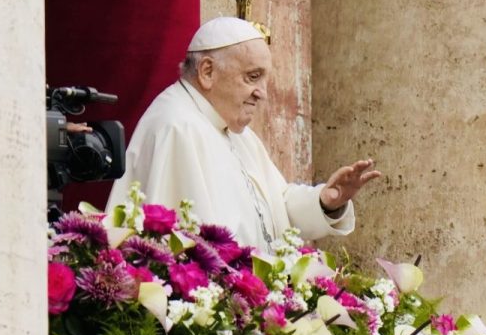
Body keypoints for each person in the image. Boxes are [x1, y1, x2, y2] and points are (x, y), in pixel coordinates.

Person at [106, 17, 381, 252]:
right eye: (252, 76)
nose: (262, 93)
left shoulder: (236, 132)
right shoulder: (176, 127)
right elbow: (188, 251)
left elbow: (278, 205)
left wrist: (326, 201)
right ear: (207, 71)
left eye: (264, 79)